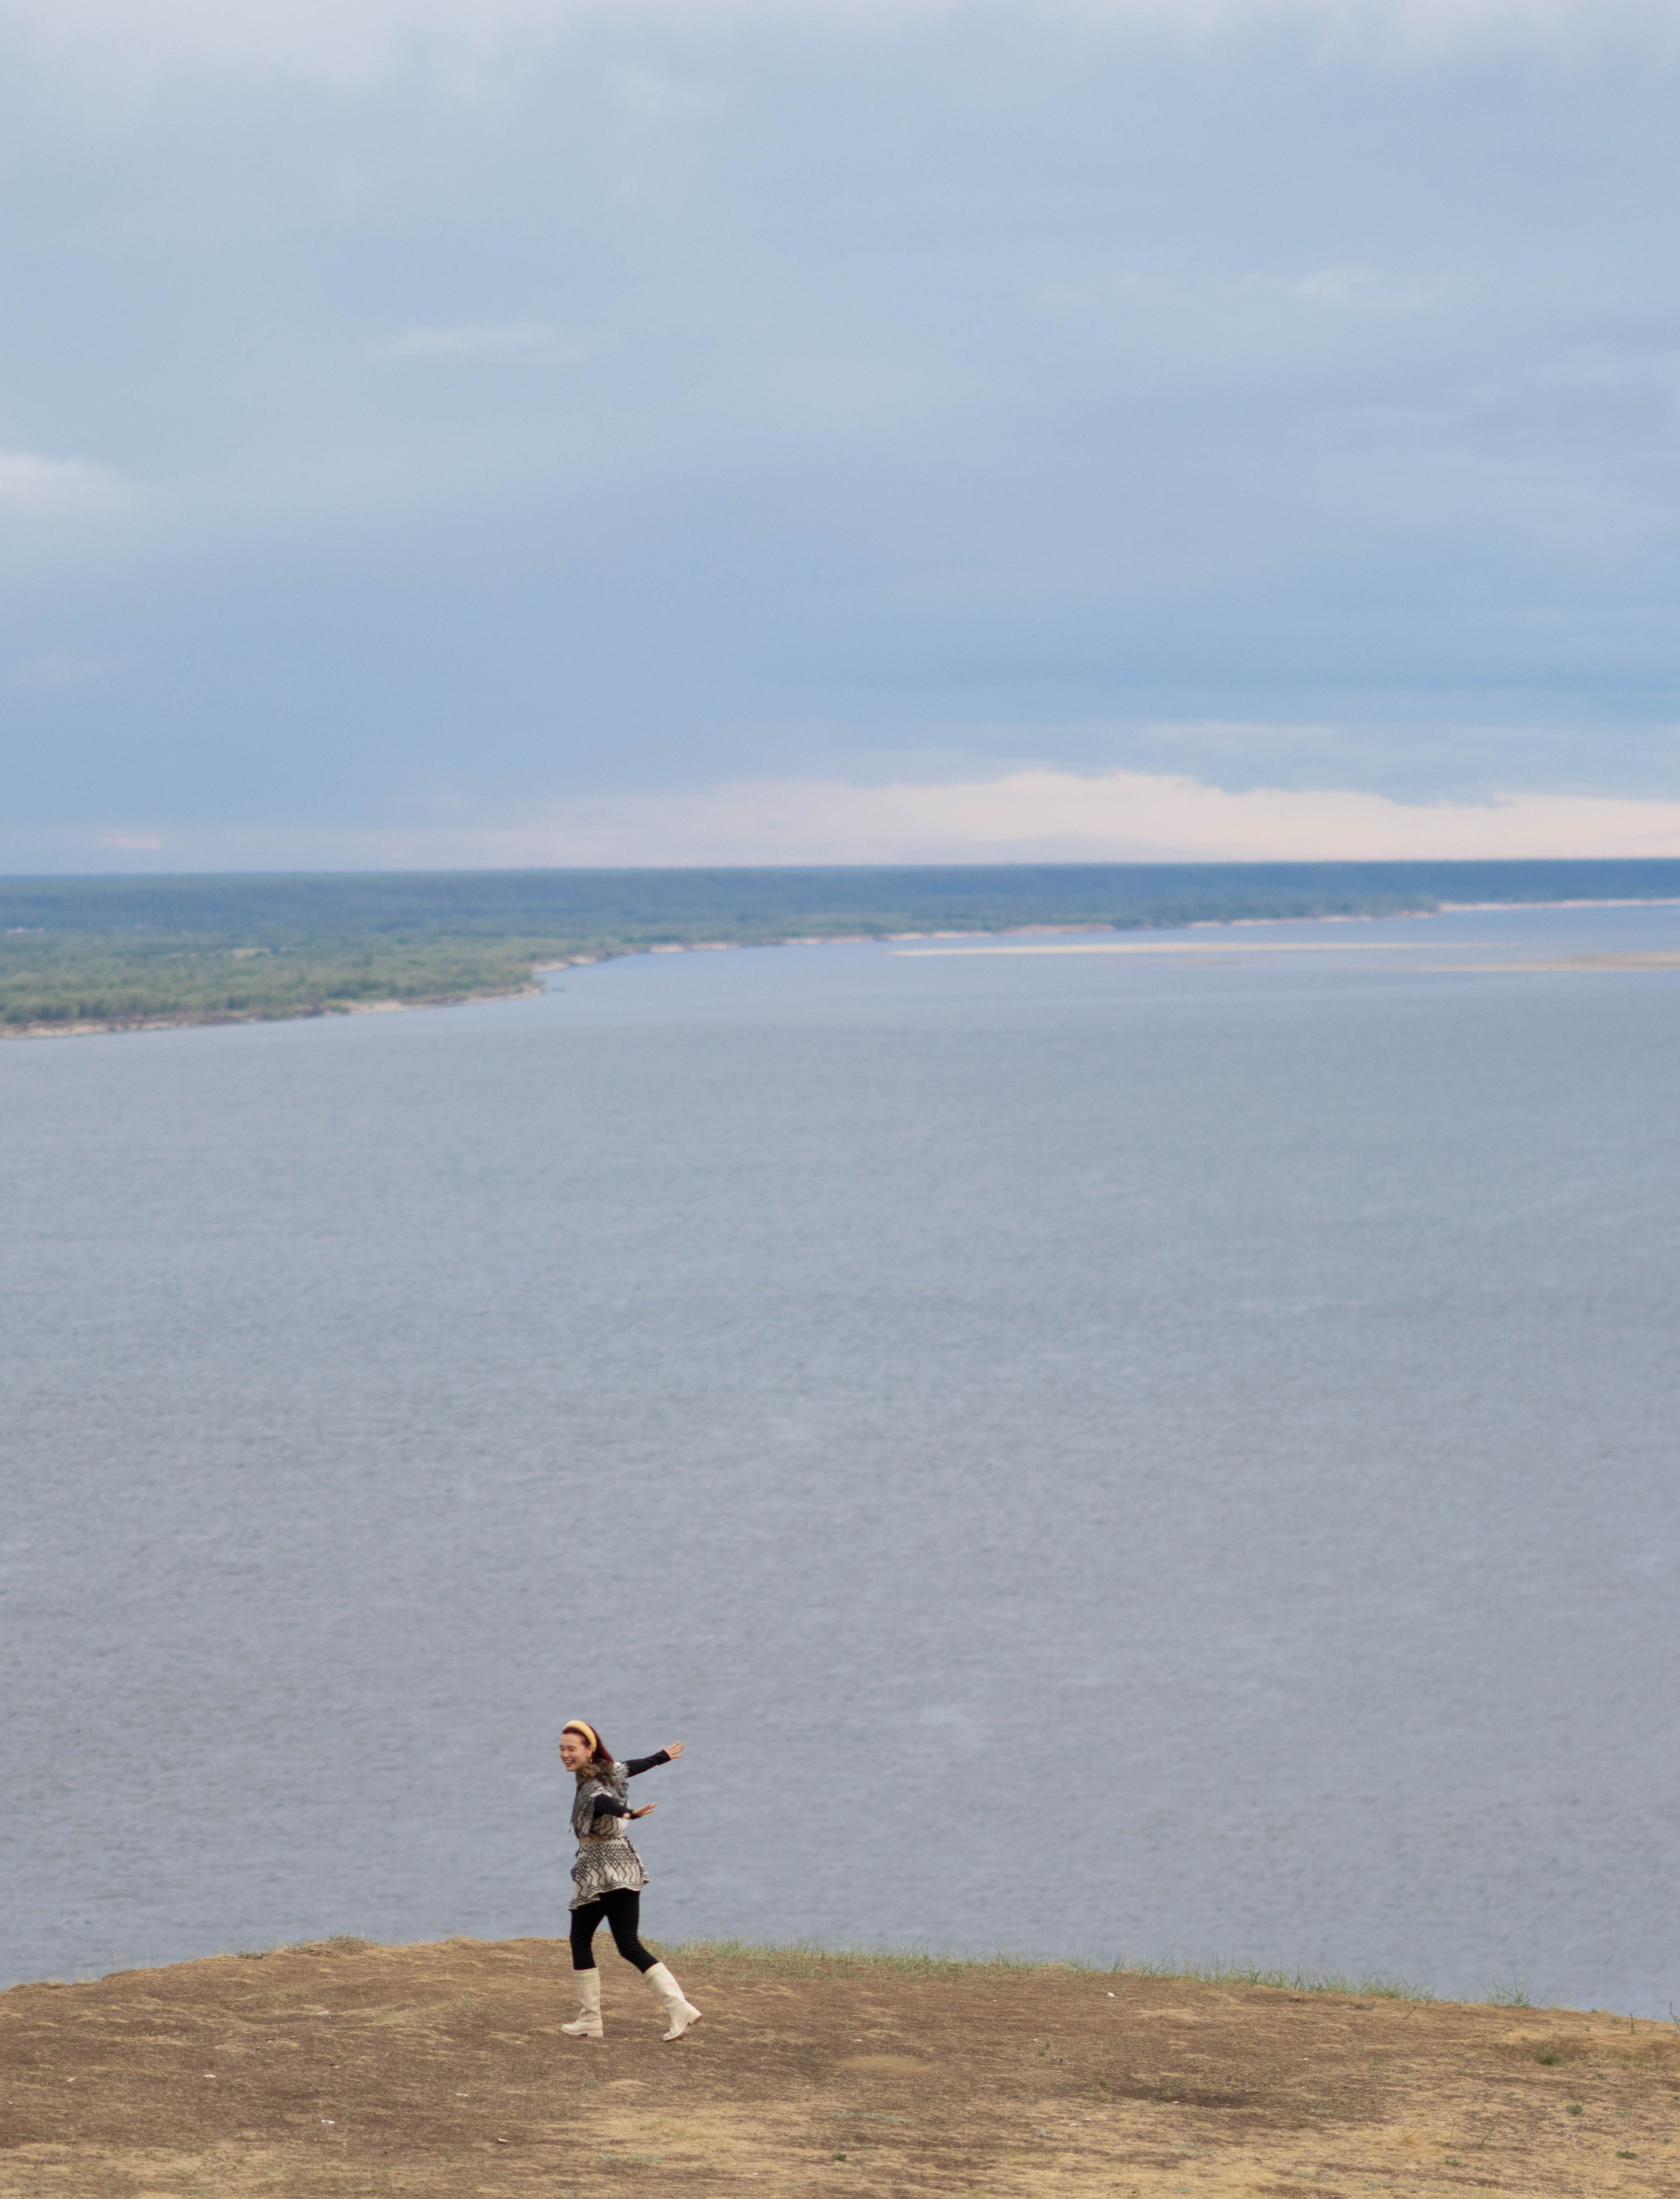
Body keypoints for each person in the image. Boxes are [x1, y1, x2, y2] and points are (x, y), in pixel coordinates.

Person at [556, 1720, 702, 2042]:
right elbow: (630, 1767)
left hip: (600, 1873)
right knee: (628, 1943)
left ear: (588, 1750)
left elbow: (601, 1803)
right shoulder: (608, 1770)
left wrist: (626, 1813)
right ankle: (679, 2009)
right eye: (562, 1749)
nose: (565, 1755)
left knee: (581, 1940)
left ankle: (591, 2020)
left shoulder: (593, 1786)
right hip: (627, 1866)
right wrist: (661, 1756)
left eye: (572, 1749)